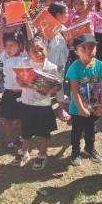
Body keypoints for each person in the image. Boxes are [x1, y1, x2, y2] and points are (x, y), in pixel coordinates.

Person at [66, 34, 102, 166]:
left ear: (96, 49)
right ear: (76, 51)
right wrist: (81, 108)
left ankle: (89, 148)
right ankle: (75, 151)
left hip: (94, 106)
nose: (88, 51)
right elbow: (75, 91)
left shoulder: (100, 65)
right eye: (83, 48)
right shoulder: (74, 67)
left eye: (91, 47)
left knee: (91, 129)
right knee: (77, 131)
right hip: (78, 108)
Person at [16, 37, 59, 170]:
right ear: (28, 53)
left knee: (45, 132)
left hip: (43, 105)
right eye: (35, 51)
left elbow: (57, 86)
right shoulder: (24, 64)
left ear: (46, 49)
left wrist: (51, 89)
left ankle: (42, 154)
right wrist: (21, 82)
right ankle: (24, 151)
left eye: (41, 49)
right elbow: (19, 81)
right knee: (26, 131)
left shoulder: (51, 67)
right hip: (27, 103)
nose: (39, 53)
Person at [0, 29, 27, 149]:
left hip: (22, 93)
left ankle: (18, 137)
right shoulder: (4, 57)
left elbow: (30, 39)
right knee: (7, 119)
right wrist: (2, 26)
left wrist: (28, 24)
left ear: (20, 46)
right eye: (7, 45)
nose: (8, 48)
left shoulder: (25, 56)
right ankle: (9, 139)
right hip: (8, 93)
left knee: (20, 119)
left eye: (12, 45)